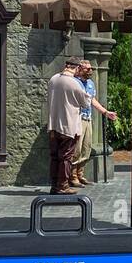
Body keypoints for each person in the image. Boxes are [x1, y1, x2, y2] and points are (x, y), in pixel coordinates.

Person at [70, 60, 118, 188]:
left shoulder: (90, 83)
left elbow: (92, 100)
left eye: (91, 69)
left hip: (88, 118)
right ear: (79, 69)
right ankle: (72, 175)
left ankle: (80, 174)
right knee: (77, 148)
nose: (90, 71)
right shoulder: (74, 82)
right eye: (87, 69)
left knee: (86, 147)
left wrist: (105, 112)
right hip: (78, 118)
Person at [47, 59, 86, 194]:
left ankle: (54, 185)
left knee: (54, 156)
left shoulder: (53, 79)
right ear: (76, 68)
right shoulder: (75, 83)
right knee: (66, 157)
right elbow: (85, 102)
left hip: (53, 125)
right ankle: (62, 186)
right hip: (68, 125)